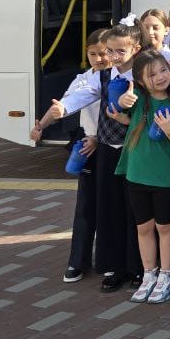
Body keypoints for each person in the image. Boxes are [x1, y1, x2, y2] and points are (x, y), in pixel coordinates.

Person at [40, 22, 144, 292]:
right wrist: (64, 107)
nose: (114, 56)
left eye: (120, 51)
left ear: (135, 49)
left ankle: (138, 267)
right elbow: (85, 95)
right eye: (110, 51)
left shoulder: (144, 72)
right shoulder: (103, 76)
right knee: (109, 208)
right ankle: (113, 267)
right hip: (108, 149)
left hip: (135, 150)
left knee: (135, 209)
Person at [31, 28, 111, 284]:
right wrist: (41, 126)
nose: (99, 59)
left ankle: (110, 262)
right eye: (93, 54)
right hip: (88, 146)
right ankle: (77, 261)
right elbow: (63, 105)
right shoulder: (83, 80)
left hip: (112, 146)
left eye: (104, 53)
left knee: (111, 206)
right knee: (86, 206)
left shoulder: (122, 77)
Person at [115, 50, 170, 305]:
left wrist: (169, 130)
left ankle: (167, 275)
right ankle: (149, 274)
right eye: (151, 74)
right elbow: (122, 103)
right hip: (135, 174)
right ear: (140, 80)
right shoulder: (138, 99)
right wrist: (122, 101)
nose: (159, 77)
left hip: (164, 176)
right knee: (143, 228)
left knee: (164, 227)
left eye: (163, 70)